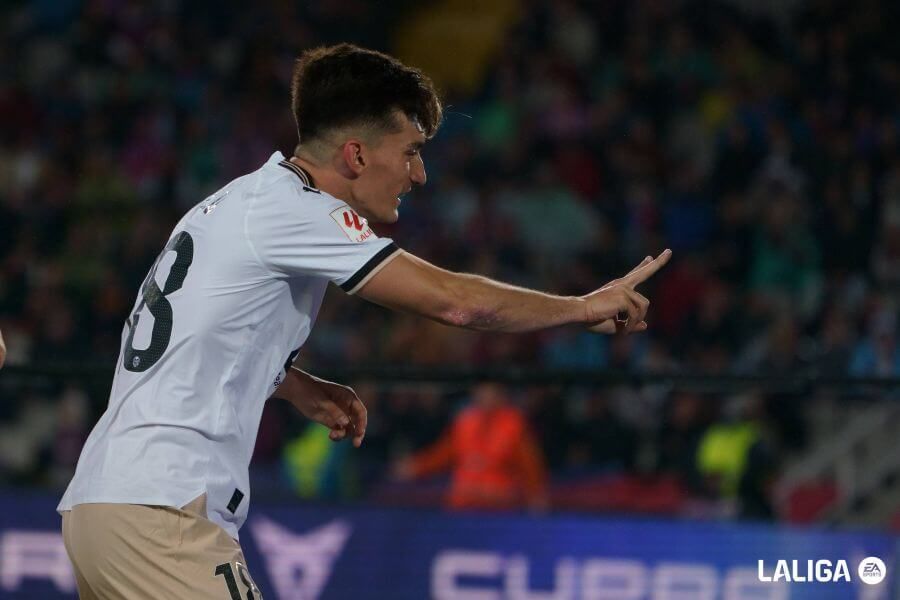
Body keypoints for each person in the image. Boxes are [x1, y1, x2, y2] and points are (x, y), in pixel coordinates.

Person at [59, 43, 671, 599]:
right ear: (356, 154)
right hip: (162, 512)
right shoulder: (297, 210)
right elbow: (455, 302)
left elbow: (195, 333)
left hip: (104, 504)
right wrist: (582, 306)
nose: (419, 174)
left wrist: (295, 384)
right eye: (410, 152)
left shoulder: (230, 203)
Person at [394, 383, 548, 512]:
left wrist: (536, 495)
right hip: (462, 503)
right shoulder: (465, 421)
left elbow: (530, 464)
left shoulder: (515, 424)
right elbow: (443, 454)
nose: (485, 395)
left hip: (498, 506)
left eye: (490, 391)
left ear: (501, 395)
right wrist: (416, 466)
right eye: (481, 390)